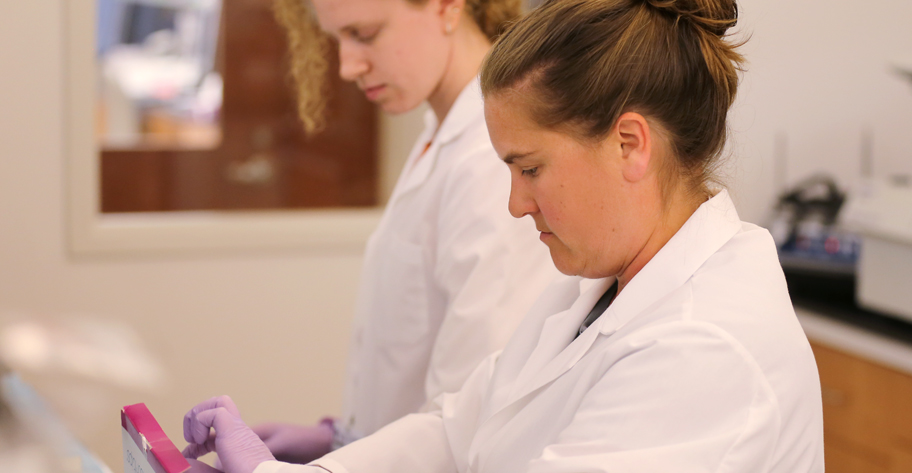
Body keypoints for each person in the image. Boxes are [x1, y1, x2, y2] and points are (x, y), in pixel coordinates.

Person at [183, 0, 825, 471]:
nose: (516, 205)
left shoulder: (705, 349)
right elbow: (459, 427)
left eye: (530, 169)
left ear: (630, 144)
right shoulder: (593, 289)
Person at [247, 0, 560, 464]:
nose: (348, 65)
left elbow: (468, 415)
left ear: (447, 7)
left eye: (366, 34)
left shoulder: (491, 162)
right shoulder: (442, 128)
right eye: (337, 40)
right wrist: (341, 439)